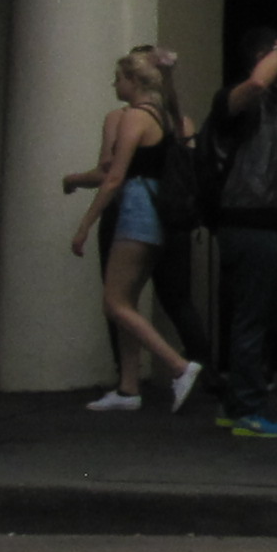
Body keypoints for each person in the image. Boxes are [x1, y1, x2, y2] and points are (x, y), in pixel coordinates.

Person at [63, 43, 200, 415]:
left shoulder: (133, 117)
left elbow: (113, 177)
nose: (114, 85)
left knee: (115, 302)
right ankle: (128, 388)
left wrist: (85, 224)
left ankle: (178, 366)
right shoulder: (165, 116)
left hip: (138, 209)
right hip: (159, 210)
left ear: (133, 81)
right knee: (128, 298)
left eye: (118, 78)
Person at [202, 19, 277, 441]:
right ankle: (248, 408)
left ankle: (238, 402)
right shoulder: (236, 99)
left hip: (275, 222)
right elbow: (254, 84)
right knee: (252, 317)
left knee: (266, 316)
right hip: (247, 220)